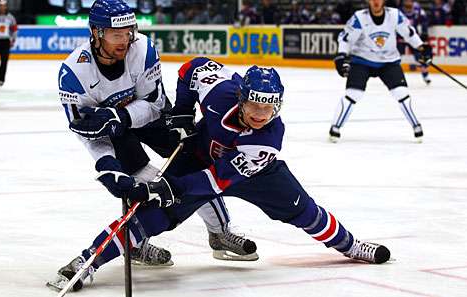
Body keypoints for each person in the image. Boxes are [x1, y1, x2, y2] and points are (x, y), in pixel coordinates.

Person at [49, 57, 392, 292]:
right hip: (199, 156)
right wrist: (183, 112)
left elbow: (217, 182)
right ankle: (87, 262)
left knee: (304, 211)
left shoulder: (267, 140)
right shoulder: (220, 91)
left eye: (269, 107)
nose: (261, 114)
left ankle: (350, 245)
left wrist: (167, 187)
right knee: (149, 220)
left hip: (256, 175)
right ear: (241, 98)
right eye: (256, 106)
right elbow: (191, 69)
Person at [47, 1, 258, 290]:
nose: (125, 40)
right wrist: (107, 166)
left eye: (128, 32)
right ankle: (135, 243)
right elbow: (89, 132)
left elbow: (155, 105)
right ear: (96, 33)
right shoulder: (73, 75)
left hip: (148, 117)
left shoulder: (142, 49)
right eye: (115, 34)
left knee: (193, 167)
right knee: (139, 181)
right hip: (114, 133)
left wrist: (120, 115)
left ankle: (220, 233)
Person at [329, 0, 432, 142]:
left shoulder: (395, 15)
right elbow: (345, 39)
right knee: (353, 94)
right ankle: (335, 126)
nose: (376, 2)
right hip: (362, 60)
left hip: (388, 61)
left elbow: (409, 33)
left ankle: (416, 125)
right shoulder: (359, 17)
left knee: (401, 93)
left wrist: (422, 47)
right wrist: (341, 55)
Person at [401, 0, 431, 84]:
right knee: (394, 55)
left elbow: (424, 21)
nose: (408, 3)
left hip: (413, 37)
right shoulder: (400, 11)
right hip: (401, 37)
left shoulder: (418, 10)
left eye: (410, 1)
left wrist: (424, 32)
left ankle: (425, 75)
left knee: (420, 56)